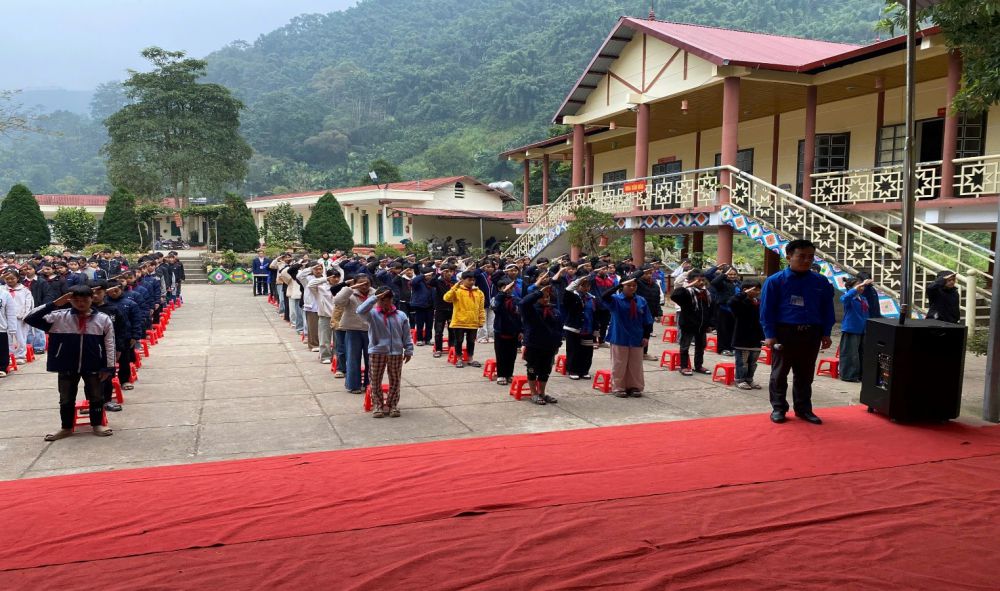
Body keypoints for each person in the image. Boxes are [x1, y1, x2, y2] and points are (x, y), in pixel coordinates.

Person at [25, 286, 116, 440]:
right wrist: (54, 304)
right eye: (76, 300)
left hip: (94, 364)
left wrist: (109, 367)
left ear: (92, 299)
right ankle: (66, 428)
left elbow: (110, 343)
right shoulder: (58, 317)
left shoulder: (103, 319)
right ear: (69, 300)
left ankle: (97, 424)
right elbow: (29, 318)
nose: (81, 303)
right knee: (66, 398)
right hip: (66, 364)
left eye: (85, 300)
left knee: (96, 396)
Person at [760, 239, 836, 425]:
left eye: (810, 257)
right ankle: (779, 408)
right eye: (801, 256)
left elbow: (827, 309)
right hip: (785, 332)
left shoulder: (820, 281)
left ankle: (803, 409)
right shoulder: (775, 281)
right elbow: (766, 310)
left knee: (805, 374)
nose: (807, 260)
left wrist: (826, 332)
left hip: (811, 333)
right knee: (779, 374)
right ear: (788, 257)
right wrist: (769, 334)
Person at [356, 287, 414, 418]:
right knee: (375, 380)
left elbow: (406, 334)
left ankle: (392, 405)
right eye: (381, 300)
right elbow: (359, 310)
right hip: (377, 351)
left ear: (392, 300)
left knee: (395, 380)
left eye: (387, 300)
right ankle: (378, 405)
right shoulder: (372, 314)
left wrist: (408, 349)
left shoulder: (401, 315)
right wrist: (374, 298)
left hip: (396, 352)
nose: (384, 303)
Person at [601, 276, 653, 397]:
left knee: (636, 364)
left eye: (634, 285)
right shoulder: (616, 300)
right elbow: (604, 296)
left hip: (637, 336)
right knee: (619, 363)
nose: (632, 288)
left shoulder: (641, 300)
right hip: (620, 336)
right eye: (628, 285)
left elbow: (647, 320)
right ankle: (618, 387)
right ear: (622, 286)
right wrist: (619, 286)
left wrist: (646, 336)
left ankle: (634, 386)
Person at [519, 282, 563, 405]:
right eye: (542, 297)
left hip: (549, 346)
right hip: (534, 345)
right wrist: (538, 292)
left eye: (547, 297)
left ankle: (542, 393)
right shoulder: (531, 310)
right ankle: (534, 393)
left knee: (545, 370)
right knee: (532, 369)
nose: (545, 299)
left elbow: (559, 328)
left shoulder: (554, 311)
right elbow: (523, 303)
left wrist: (557, 343)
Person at [333, 275, 372, 394]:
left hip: (371, 330)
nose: (364, 286)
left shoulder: (375, 293)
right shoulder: (350, 293)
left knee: (371, 359)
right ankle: (353, 385)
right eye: (361, 283)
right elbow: (337, 301)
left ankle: (369, 383)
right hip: (352, 329)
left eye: (366, 283)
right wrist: (350, 288)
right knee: (352, 359)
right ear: (355, 283)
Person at [670, 270, 712, 377]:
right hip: (688, 324)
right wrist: (688, 285)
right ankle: (684, 366)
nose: (701, 282)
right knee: (685, 346)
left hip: (701, 325)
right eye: (698, 280)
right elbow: (674, 295)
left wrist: (709, 324)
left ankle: (698, 366)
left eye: (702, 280)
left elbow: (710, 309)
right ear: (691, 281)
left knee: (700, 346)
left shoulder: (706, 293)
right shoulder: (687, 293)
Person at [443, 270, 485, 368]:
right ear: (462, 280)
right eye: (469, 280)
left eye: (473, 280)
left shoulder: (479, 292)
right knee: (459, 341)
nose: (472, 282)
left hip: (473, 321)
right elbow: (446, 298)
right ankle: (459, 359)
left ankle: (470, 358)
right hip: (459, 321)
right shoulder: (457, 291)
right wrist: (455, 287)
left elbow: (481, 308)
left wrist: (481, 320)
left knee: (471, 341)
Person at [729, 280, 764, 390]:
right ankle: (740, 380)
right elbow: (731, 302)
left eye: (759, 290)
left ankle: (749, 379)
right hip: (742, 338)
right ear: (745, 290)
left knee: (753, 363)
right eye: (755, 289)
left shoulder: (758, 302)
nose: (758, 292)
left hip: (756, 337)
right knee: (742, 362)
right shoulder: (739, 302)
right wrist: (743, 294)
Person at [838, 277, 872, 383]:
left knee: (862, 354)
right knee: (850, 354)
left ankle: (860, 375)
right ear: (851, 288)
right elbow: (844, 298)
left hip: (862, 329)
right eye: (859, 285)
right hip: (851, 329)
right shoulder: (849, 298)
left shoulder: (863, 298)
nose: (862, 288)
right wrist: (857, 287)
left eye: (862, 286)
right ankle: (849, 375)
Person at [562, 276, 595, 380]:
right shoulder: (573, 296)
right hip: (573, 328)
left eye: (588, 286)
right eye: (583, 285)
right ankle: (573, 370)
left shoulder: (592, 298)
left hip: (588, 329)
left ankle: (584, 370)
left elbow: (594, 314)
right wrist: (577, 281)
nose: (586, 288)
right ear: (578, 286)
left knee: (587, 351)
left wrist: (596, 330)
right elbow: (567, 290)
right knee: (574, 350)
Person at [491, 279, 522, 386]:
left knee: (512, 354)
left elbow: (520, 317)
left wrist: (521, 331)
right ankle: (501, 375)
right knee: (501, 354)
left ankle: (509, 374)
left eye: (510, 287)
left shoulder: (516, 300)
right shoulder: (496, 299)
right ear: (499, 289)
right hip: (500, 330)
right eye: (505, 288)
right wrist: (502, 293)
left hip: (514, 331)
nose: (508, 289)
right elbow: (495, 308)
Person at [3, 269, 33, 363]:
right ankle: (8, 355)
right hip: (5, 318)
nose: (10, 280)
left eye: (12, 278)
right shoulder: (2, 290)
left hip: (20, 317)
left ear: (18, 278)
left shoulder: (24, 290)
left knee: (20, 337)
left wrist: (25, 315)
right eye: (7, 279)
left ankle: (20, 355)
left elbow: (29, 304)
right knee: (7, 337)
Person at [711, 266, 741, 356]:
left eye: (734, 274)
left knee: (734, 331)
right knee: (723, 331)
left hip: (735, 310)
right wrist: (724, 275)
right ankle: (723, 348)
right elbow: (714, 282)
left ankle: (733, 347)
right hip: (724, 309)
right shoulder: (722, 283)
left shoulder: (738, 283)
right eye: (730, 274)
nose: (732, 276)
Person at [429, 265, 456, 358]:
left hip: (452, 309)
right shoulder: (438, 282)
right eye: (446, 271)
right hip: (440, 309)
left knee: (452, 330)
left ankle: (452, 348)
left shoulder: (454, 282)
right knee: (438, 330)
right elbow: (430, 282)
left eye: (451, 271)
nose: (449, 273)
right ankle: (438, 349)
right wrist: (438, 274)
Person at [0, 284, 16, 377]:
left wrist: (12, 328)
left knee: (2, 350)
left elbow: (11, 313)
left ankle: (2, 368)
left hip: (1, 328)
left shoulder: (4, 294)